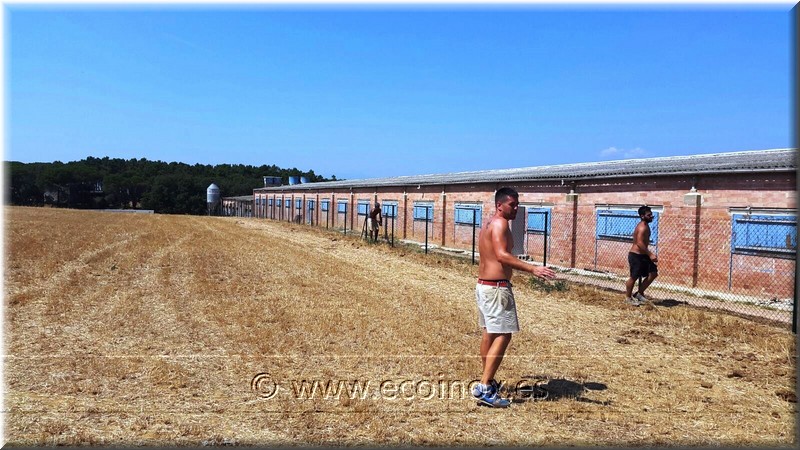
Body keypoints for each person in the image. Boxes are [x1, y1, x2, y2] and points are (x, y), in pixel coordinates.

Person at [472, 187, 556, 408]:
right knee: (504, 335)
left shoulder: (489, 223)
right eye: (512, 204)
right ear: (499, 205)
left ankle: (487, 382)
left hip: (484, 286)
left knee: (490, 333)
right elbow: (502, 256)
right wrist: (533, 269)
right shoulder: (500, 224)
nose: (517, 208)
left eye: (518, 204)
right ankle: (484, 387)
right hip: (496, 289)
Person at [625, 205, 658, 306]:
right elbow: (639, 243)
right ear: (642, 216)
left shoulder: (645, 225)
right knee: (633, 277)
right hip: (636, 256)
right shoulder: (642, 227)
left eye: (651, 214)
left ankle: (639, 294)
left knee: (653, 273)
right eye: (649, 215)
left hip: (643, 255)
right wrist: (650, 254)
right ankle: (628, 298)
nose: (651, 216)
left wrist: (647, 255)